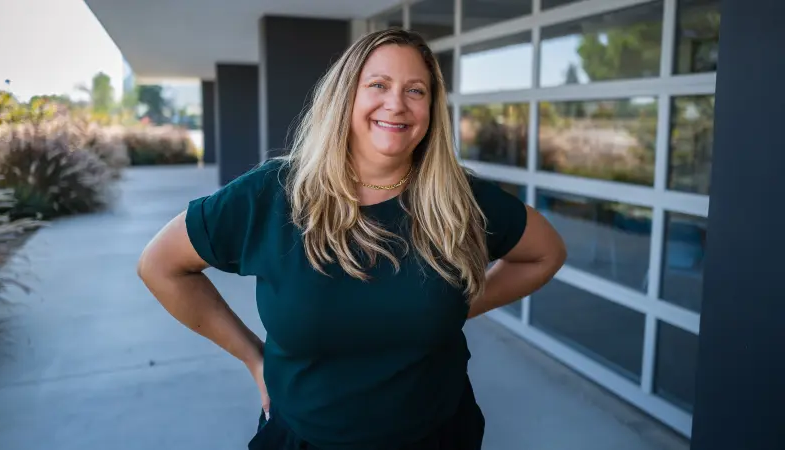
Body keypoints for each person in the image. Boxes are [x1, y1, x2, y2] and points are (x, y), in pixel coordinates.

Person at [137, 29, 566, 450]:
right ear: (345, 96)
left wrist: (455, 305)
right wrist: (253, 357)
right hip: (303, 438)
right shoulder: (271, 193)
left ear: (432, 108)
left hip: (437, 435)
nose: (396, 103)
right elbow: (160, 266)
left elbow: (545, 253)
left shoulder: (460, 199)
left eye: (415, 91)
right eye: (378, 84)